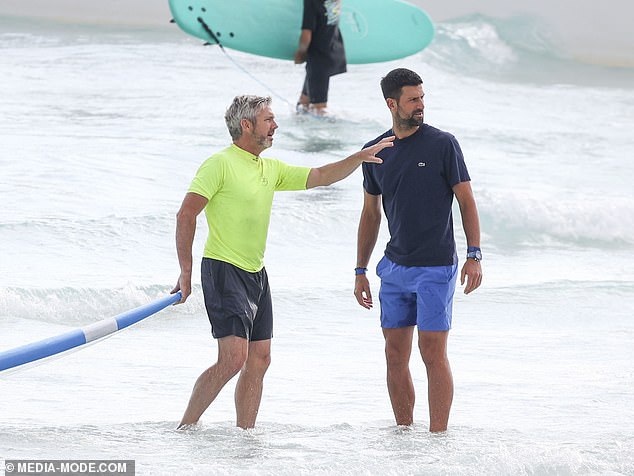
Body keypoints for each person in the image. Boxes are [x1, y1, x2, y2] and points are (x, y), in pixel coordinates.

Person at [172, 94, 393, 429]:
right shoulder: (219, 163)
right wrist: (186, 272)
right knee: (233, 359)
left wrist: (359, 158)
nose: (275, 125)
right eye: (268, 120)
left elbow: (320, 175)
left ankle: (245, 435)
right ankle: (186, 426)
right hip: (223, 269)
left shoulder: (269, 169)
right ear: (247, 126)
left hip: (256, 273)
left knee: (260, 359)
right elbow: (186, 214)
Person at [353, 68, 483, 432]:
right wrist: (360, 270)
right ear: (392, 104)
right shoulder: (377, 151)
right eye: (413, 99)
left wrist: (474, 255)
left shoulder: (443, 144)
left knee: (432, 353)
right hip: (394, 268)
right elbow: (370, 213)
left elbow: (466, 200)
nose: (420, 105)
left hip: (436, 267)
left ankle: (438, 440)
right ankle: (404, 437)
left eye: (422, 97)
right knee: (395, 354)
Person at [294, 0, 346, 116]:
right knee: (303, 104)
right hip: (331, 51)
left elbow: (307, 32)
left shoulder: (311, 2)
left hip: (318, 58)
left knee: (319, 109)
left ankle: (331, 131)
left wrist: (301, 53)